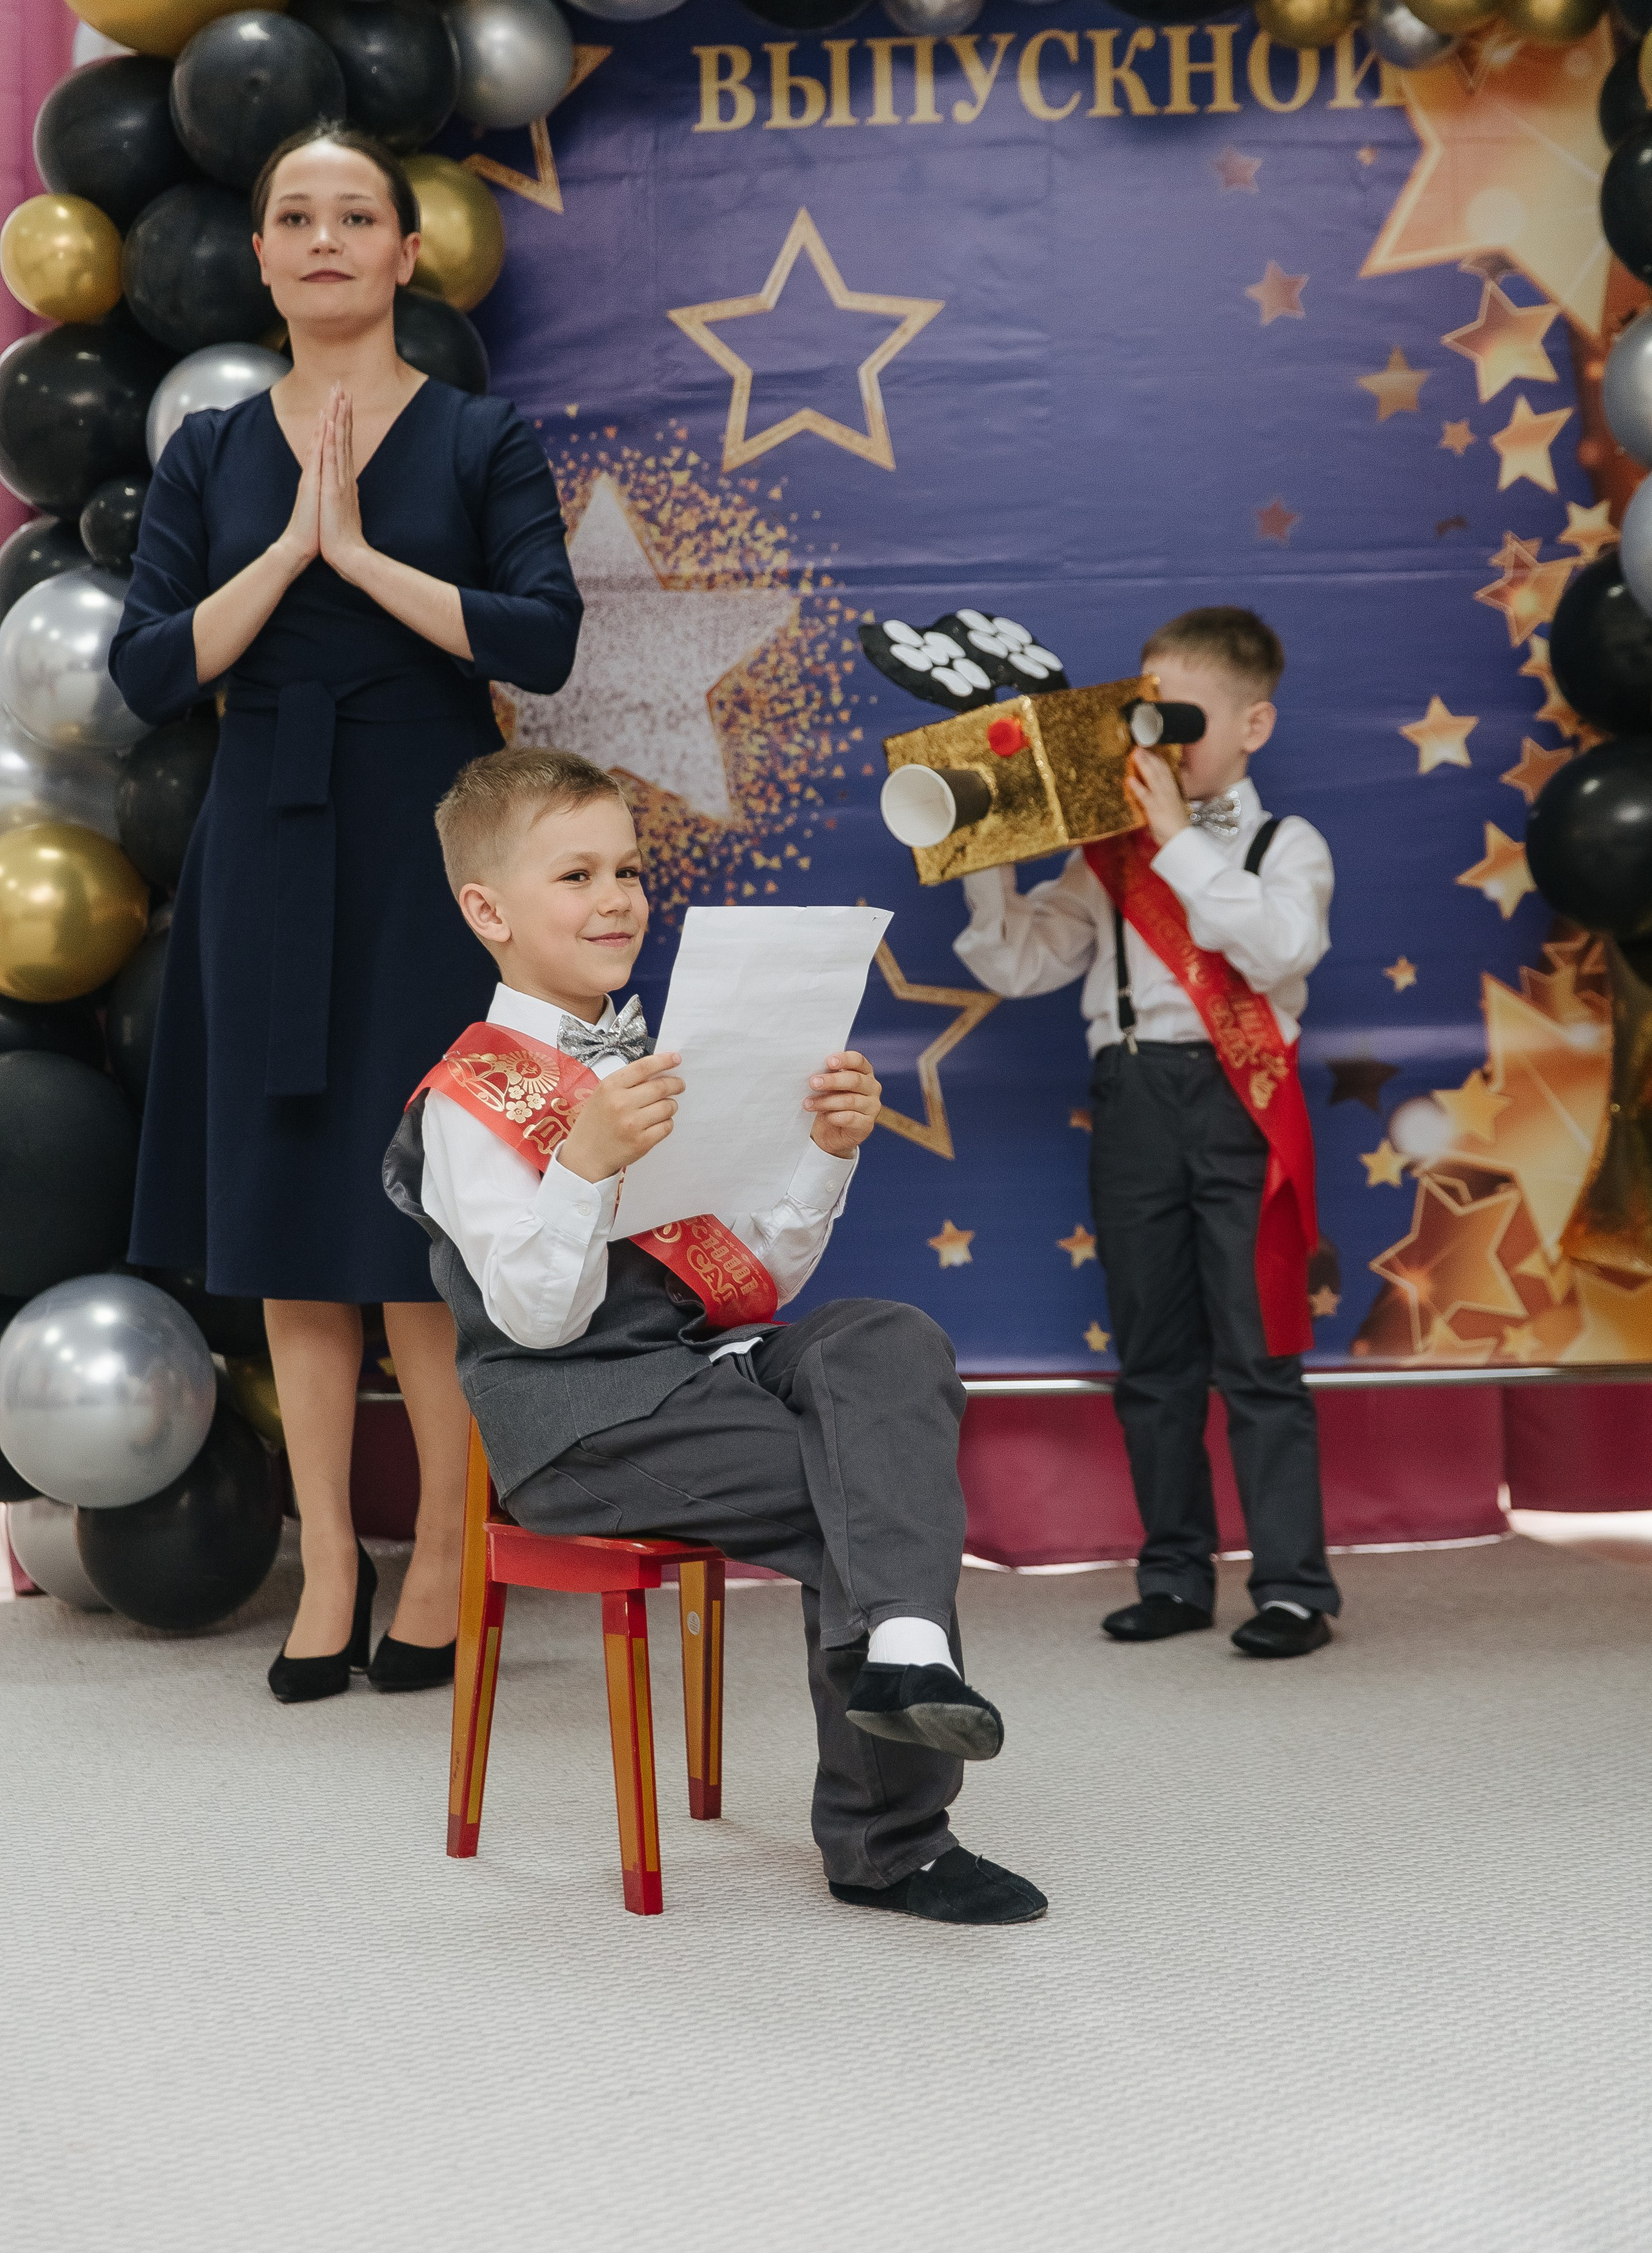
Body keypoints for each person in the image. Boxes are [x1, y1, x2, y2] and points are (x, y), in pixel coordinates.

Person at [381, 743, 1047, 1925]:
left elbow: (751, 1284)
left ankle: (904, 1649)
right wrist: (584, 1163)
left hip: (694, 1373)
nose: (617, 899)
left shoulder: (660, 1058)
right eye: (576, 876)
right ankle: (892, 1843)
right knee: (868, 1485)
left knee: (886, 1336)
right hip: (578, 1420)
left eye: (629, 871)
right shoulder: (465, 1102)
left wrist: (824, 1154)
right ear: (487, 911)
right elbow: (539, 1321)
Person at [108, 122, 583, 1706]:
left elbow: (543, 638)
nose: (324, 239)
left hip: (431, 849)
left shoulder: (478, 437)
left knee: (419, 1225)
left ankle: (443, 1556)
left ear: (404, 251)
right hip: (264, 841)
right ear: (258, 257)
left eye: (355, 215)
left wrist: (363, 561)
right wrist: (288, 556)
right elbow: (148, 667)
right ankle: (328, 1564)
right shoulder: (208, 452)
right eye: (294, 217)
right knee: (287, 1219)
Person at [954, 607, 1339, 1657]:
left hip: (1238, 1099)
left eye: (1183, 719)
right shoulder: (1111, 854)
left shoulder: (1287, 846)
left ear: (1253, 725)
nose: (1158, 741)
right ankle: (1174, 1573)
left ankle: (1293, 1588)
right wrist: (986, 849)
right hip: (1130, 1100)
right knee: (1155, 1354)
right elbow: (1020, 963)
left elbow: (1278, 948)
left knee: (1257, 1353)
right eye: (1146, 715)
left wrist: (1177, 841)